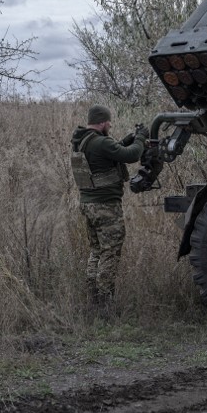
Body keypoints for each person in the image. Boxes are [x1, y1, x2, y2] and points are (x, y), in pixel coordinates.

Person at [70, 104, 146, 313]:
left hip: (88, 204)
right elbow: (132, 155)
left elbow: (108, 156)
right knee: (110, 252)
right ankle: (105, 302)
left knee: (97, 250)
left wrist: (125, 141)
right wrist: (140, 138)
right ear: (102, 122)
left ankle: (93, 298)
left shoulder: (82, 141)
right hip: (105, 206)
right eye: (109, 122)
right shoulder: (100, 142)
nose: (110, 124)